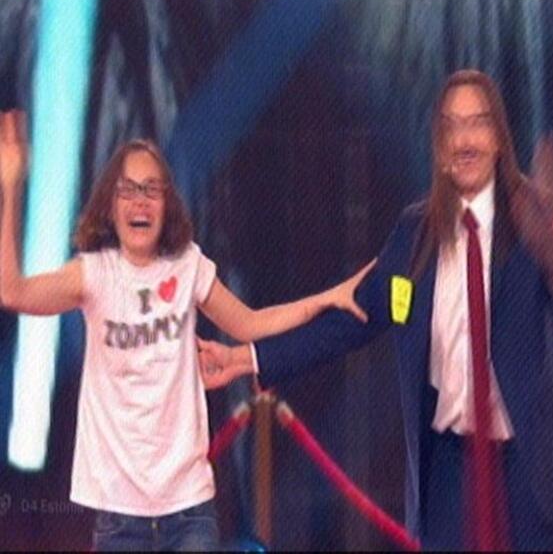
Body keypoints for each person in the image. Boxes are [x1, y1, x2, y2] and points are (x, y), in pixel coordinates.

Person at [198, 70, 553, 551]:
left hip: (526, 472)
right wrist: (247, 357)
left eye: (477, 123)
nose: (465, 140)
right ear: (440, 147)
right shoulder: (414, 236)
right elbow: (351, 322)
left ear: (498, 138)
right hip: (447, 474)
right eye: (452, 126)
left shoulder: (530, 220)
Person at [0, 111, 372, 552]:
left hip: (189, 511)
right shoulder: (94, 274)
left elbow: (250, 323)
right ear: (110, 207)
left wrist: (328, 297)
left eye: (151, 189)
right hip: (119, 516)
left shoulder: (187, 266)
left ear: (167, 204)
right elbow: (12, 291)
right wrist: (11, 187)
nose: (140, 201)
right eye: (128, 190)